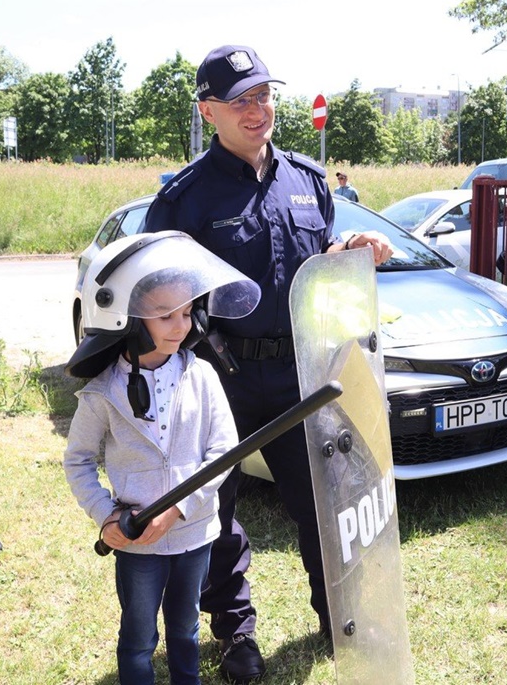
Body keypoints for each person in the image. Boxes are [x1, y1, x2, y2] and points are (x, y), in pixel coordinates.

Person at [144, 44, 392, 683]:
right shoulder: (183, 201)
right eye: (241, 100)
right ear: (209, 112)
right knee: (216, 512)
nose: (258, 110)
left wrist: (355, 251)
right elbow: (157, 295)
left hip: (303, 376)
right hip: (221, 377)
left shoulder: (308, 180)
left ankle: (340, 617)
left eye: (264, 96)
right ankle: (236, 636)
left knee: (325, 503)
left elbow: (320, 269)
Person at [63, 231, 261, 685]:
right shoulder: (102, 395)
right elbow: (76, 461)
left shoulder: (203, 376)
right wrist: (106, 516)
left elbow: (223, 451)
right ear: (128, 319)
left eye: (188, 312)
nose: (182, 325)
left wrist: (180, 506)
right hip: (138, 544)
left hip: (195, 534)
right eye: (165, 314)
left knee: (186, 628)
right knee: (138, 637)